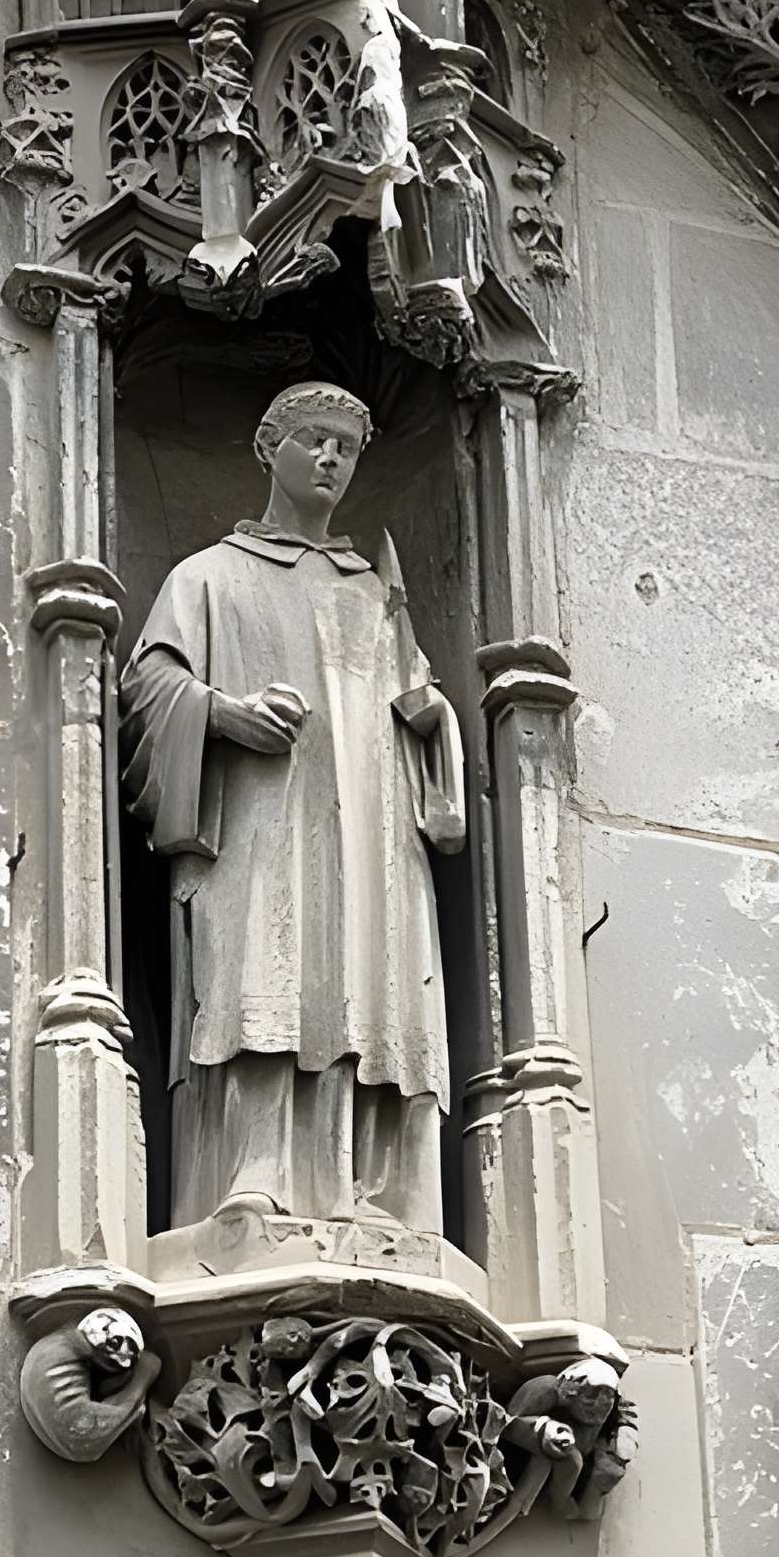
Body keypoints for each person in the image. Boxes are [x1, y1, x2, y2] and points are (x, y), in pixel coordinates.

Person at [120, 381, 464, 1237]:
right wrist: (222, 713)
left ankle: (364, 1188)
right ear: (268, 448)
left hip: (373, 839)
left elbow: (418, 703)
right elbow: (144, 692)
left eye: (347, 448)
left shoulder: (373, 594)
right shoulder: (206, 578)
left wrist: (434, 724)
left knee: (365, 986)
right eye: (314, 440)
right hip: (260, 829)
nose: (331, 460)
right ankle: (255, 1172)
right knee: (258, 978)